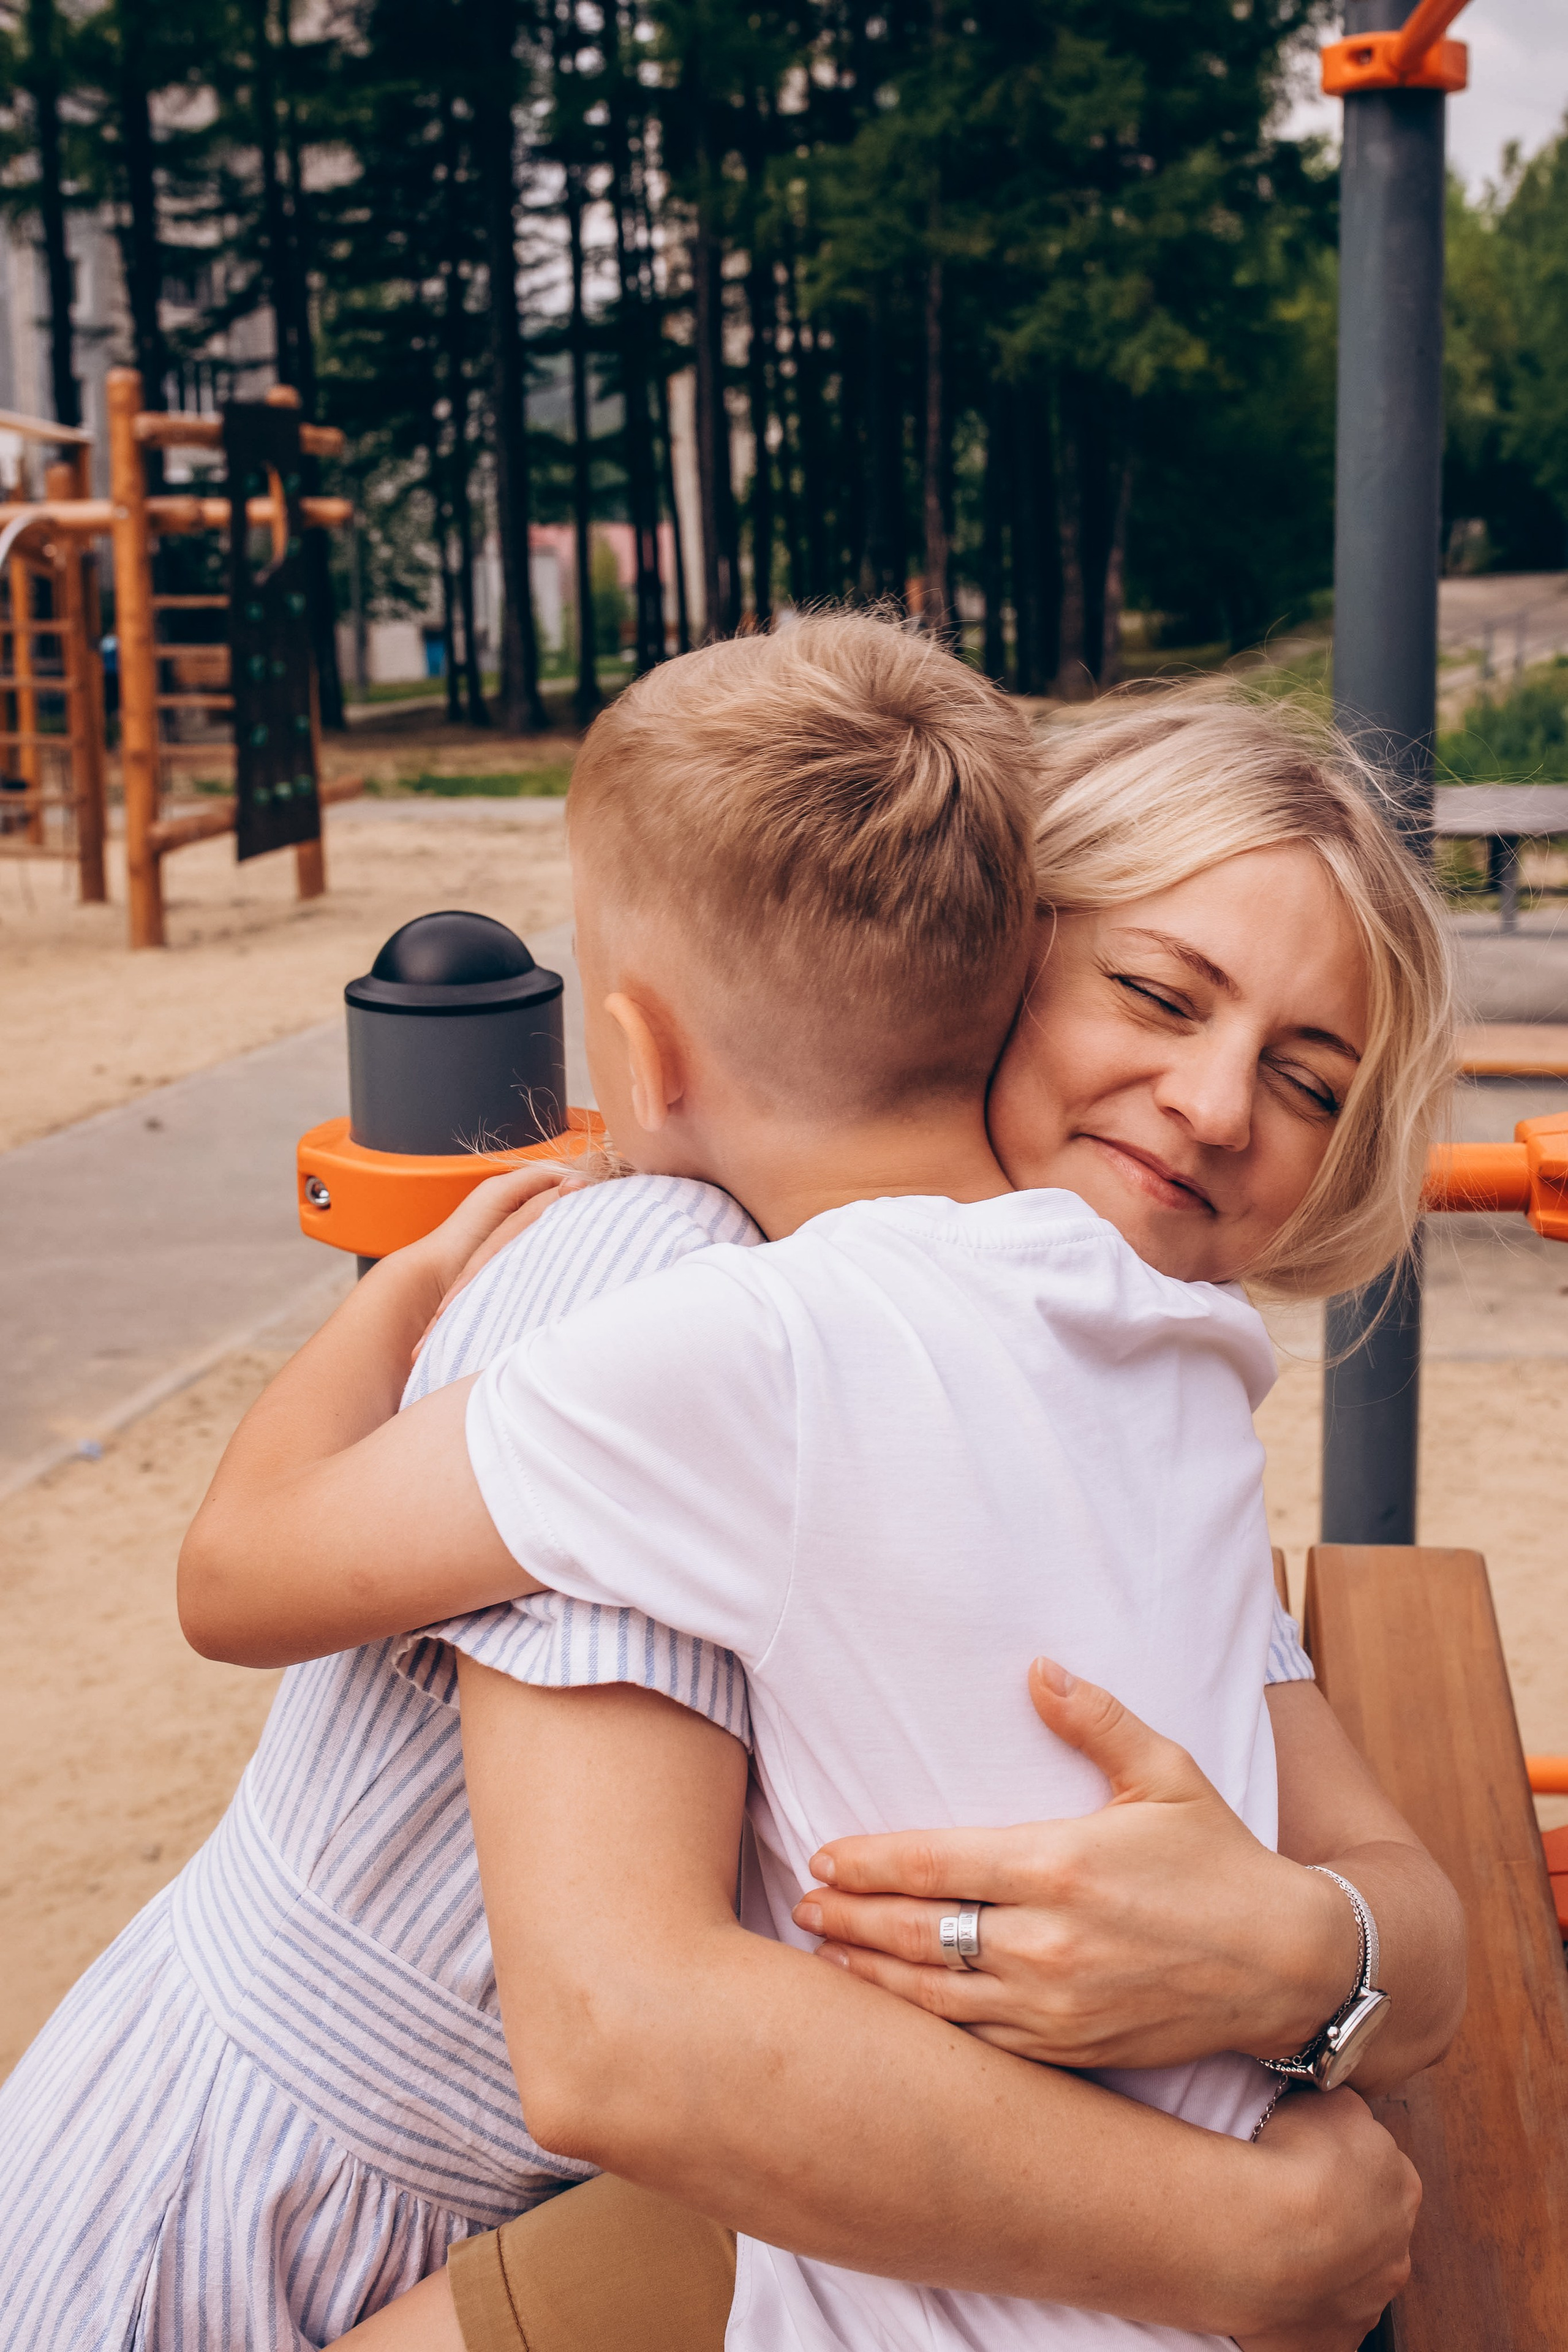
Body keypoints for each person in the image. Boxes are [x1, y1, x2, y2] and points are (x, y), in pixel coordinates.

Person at [174, 626, 1459, 2350]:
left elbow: (1412, 1910)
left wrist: (1303, 1952)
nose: (1219, 1103)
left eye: (1311, 1082)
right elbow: (626, 2037)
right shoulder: (691, 1290)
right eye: (1157, 994)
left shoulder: (1160, 1375)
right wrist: (1249, 2225)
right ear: (1006, 952)